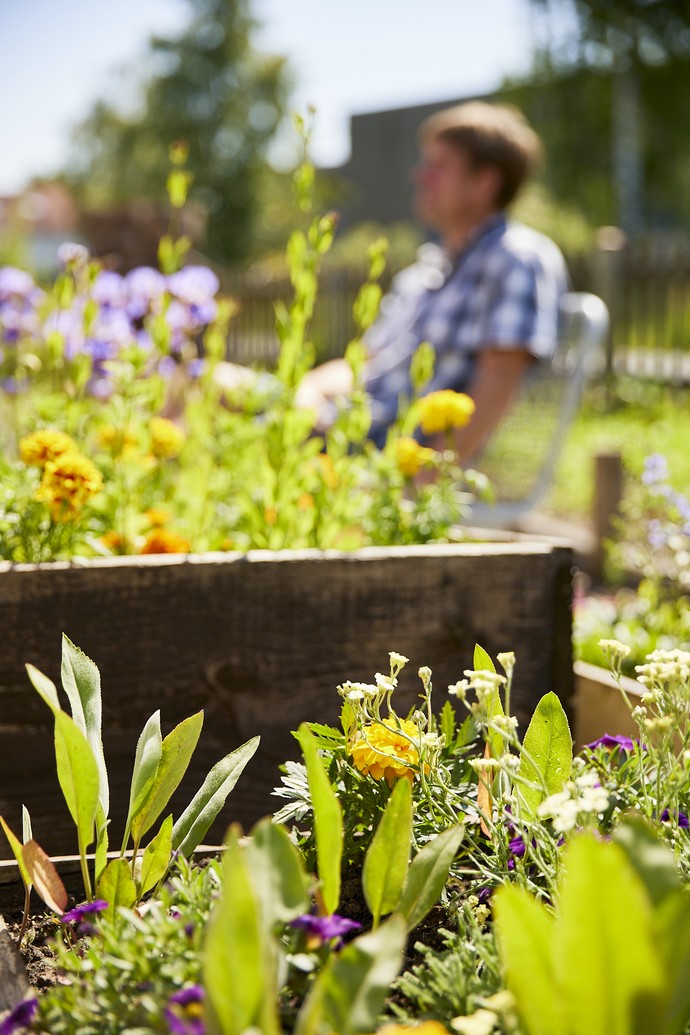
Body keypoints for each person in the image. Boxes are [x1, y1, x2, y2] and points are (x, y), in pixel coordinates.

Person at [290, 101, 569, 461]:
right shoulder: (424, 271)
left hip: (388, 450)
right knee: (204, 378)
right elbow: (362, 362)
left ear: (485, 182)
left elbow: (499, 382)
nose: (420, 176)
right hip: (345, 421)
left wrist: (422, 481)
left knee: (210, 385)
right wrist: (307, 389)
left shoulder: (516, 258)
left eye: (439, 166)